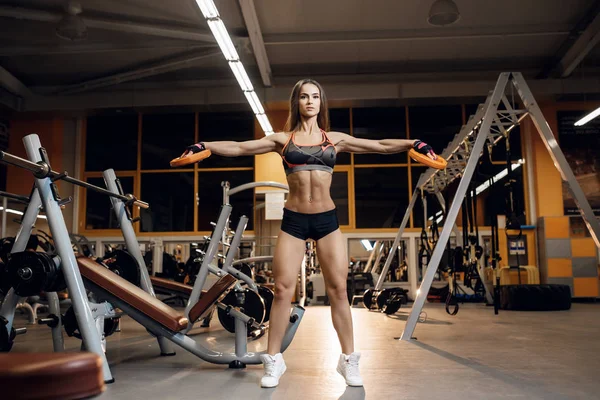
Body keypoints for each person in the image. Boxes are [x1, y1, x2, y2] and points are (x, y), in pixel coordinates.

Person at [179, 78, 438, 388]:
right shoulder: (283, 140)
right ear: (297, 102)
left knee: (339, 290)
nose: (310, 101)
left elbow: (380, 146)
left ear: (320, 102)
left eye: (315, 96)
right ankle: (273, 361)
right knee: (283, 289)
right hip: (294, 221)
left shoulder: (335, 140)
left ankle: (349, 360)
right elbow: (240, 147)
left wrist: (413, 144)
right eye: (304, 96)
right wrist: (204, 146)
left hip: (327, 220)